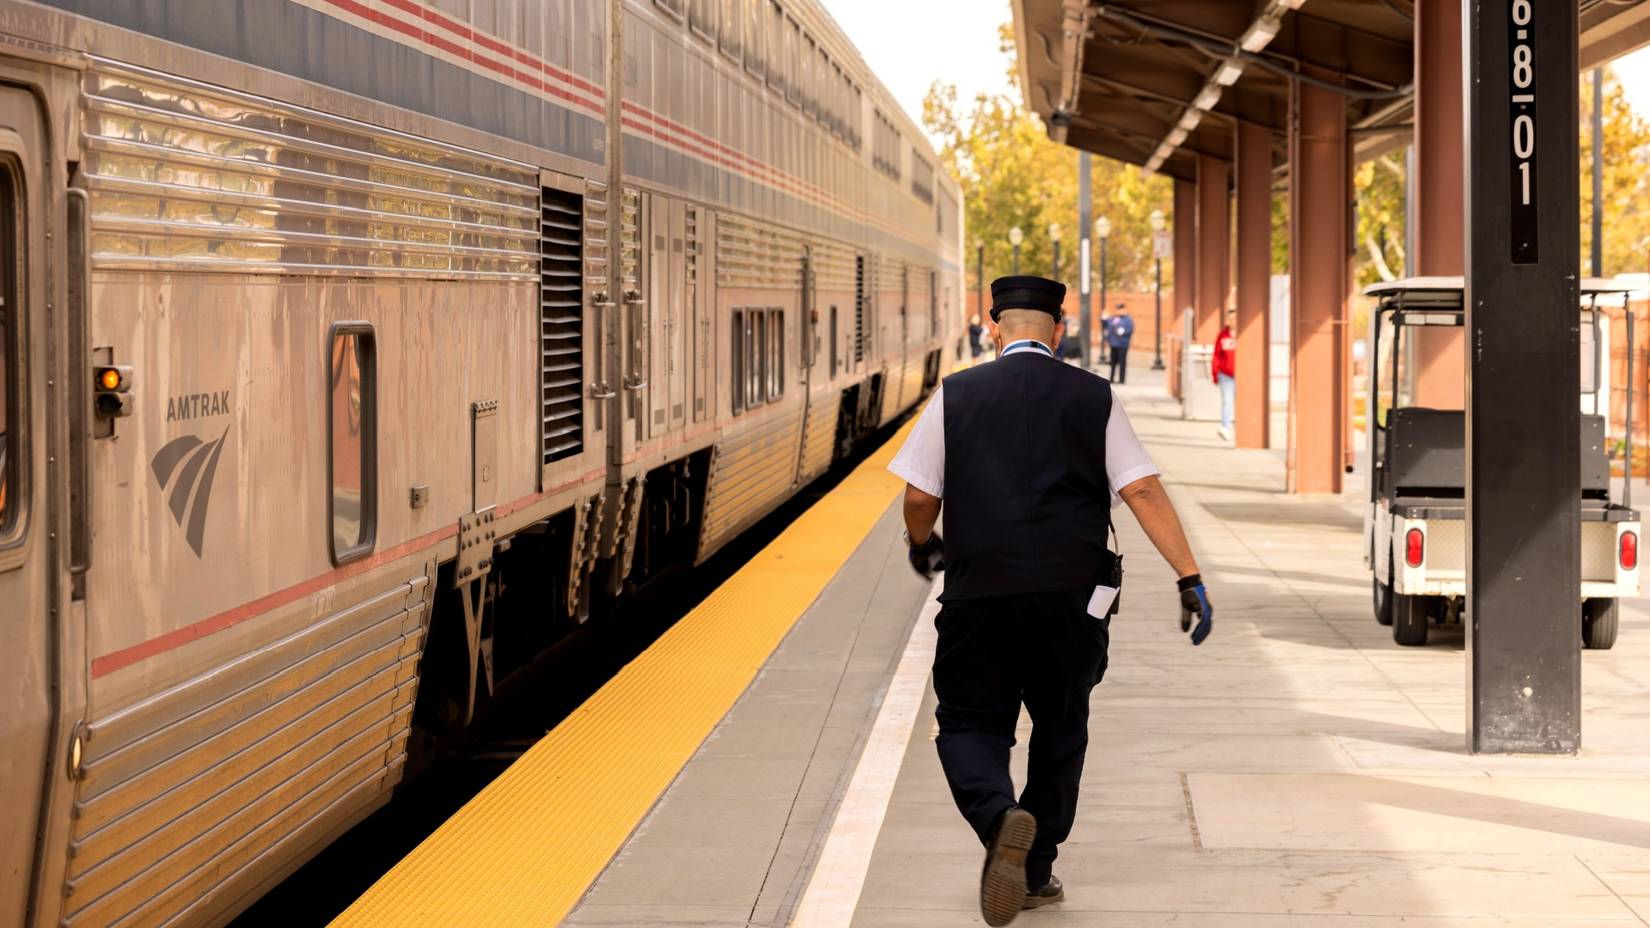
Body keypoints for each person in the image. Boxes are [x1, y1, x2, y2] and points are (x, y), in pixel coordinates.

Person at [889, 275, 1213, 926]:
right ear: (1058, 331)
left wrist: (922, 545)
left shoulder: (956, 394)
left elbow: (921, 498)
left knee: (969, 723)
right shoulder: (1094, 397)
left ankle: (999, 816)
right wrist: (1188, 576)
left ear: (992, 327)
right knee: (1062, 728)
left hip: (981, 593)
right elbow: (1142, 490)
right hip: (1074, 599)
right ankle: (1035, 872)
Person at [1213, 308, 1236, 442]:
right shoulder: (1222, 335)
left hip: (1240, 374)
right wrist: (1215, 373)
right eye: (1230, 319)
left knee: (1240, 402)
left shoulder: (1243, 334)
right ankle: (1225, 427)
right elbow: (1216, 355)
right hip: (1225, 374)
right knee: (1227, 401)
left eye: (1234, 318)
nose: (1232, 321)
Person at [1105, 304, 1133, 384]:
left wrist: (1123, 331)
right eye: (1118, 309)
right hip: (1114, 344)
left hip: (1123, 344)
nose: (1119, 311)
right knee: (1112, 362)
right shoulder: (1114, 318)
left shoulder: (1128, 319)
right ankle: (1111, 378)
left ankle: (1121, 379)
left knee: (1122, 362)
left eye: (1121, 309)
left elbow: (1129, 329)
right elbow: (1108, 326)